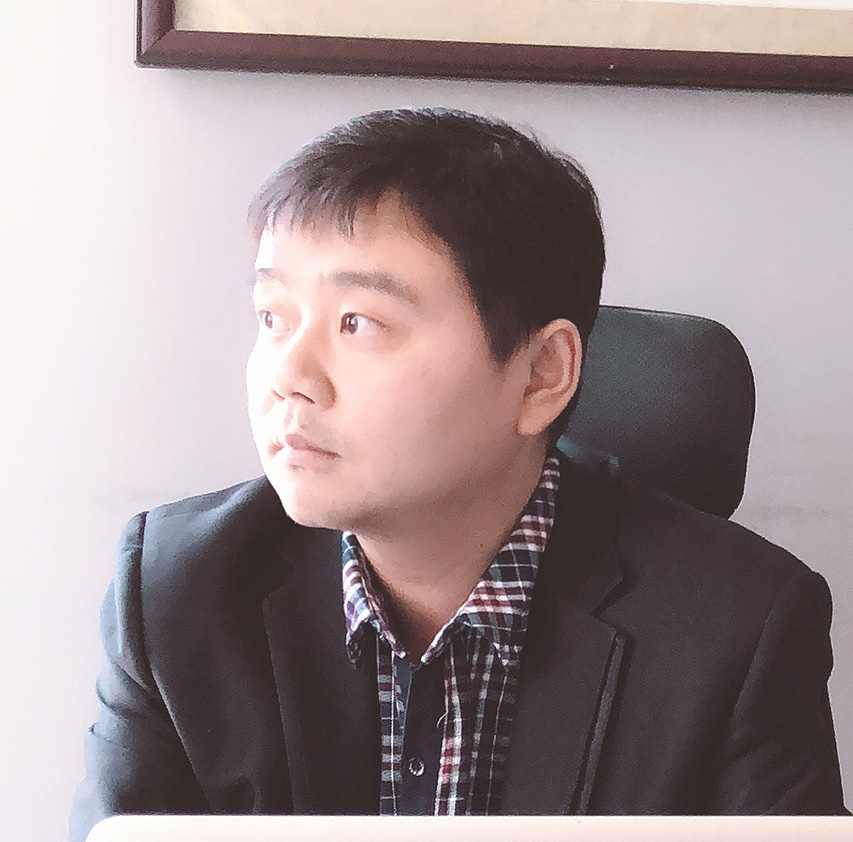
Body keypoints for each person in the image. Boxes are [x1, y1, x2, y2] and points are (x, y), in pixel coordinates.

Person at [70, 108, 846, 840]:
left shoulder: (741, 629)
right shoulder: (177, 592)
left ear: (541, 374)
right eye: (272, 317)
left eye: (357, 323)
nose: (288, 378)